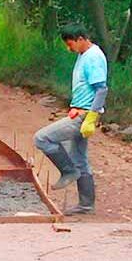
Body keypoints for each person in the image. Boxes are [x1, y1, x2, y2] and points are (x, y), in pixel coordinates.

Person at [33, 23, 108, 215]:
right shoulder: (84, 55)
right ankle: (86, 205)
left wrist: (91, 117)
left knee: (42, 138)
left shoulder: (93, 57)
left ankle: (68, 171)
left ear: (81, 39)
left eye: (70, 44)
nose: (69, 48)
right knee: (80, 159)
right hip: (79, 113)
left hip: (84, 116)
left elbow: (101, 89)